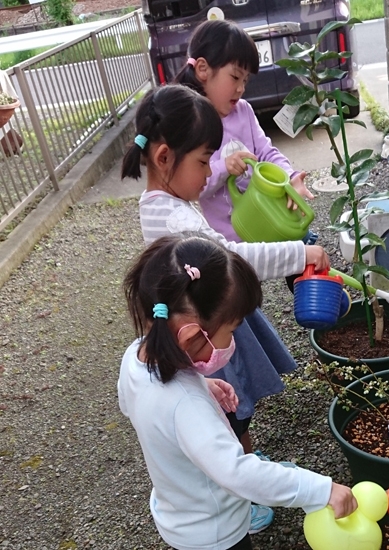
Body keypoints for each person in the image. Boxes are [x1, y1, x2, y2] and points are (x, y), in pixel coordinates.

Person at [121, 84, 330, 533]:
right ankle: (244, 486)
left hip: (202, 315)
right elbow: (237, 259)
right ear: (163, 158)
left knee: (229, 410)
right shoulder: (175, 219)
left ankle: (245, 466)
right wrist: (301, 254)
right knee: (231, 414)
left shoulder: (164, 204)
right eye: (203, 161)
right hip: (204, 318)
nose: (209, 171)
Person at [118, 234, 357, 550]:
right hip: (216, 533)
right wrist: (320, 490)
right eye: (230, 330)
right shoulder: (185, 405)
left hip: (179, 513)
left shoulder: (135, 357)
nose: (231, 341)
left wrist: (202, 386)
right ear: (191, 336)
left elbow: (136, 406)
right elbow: (237, 472)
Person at [173, 18, 316, 243]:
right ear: (203, 69)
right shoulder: (193, 124)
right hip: (230, 242)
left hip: (267, 218)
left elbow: (266, 153)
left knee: (301, 247)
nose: (241, 88)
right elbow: (193, 188)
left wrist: (291, 176)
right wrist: (224, 167)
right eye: (235, 77)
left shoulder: (244, 112)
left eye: (246, 80)